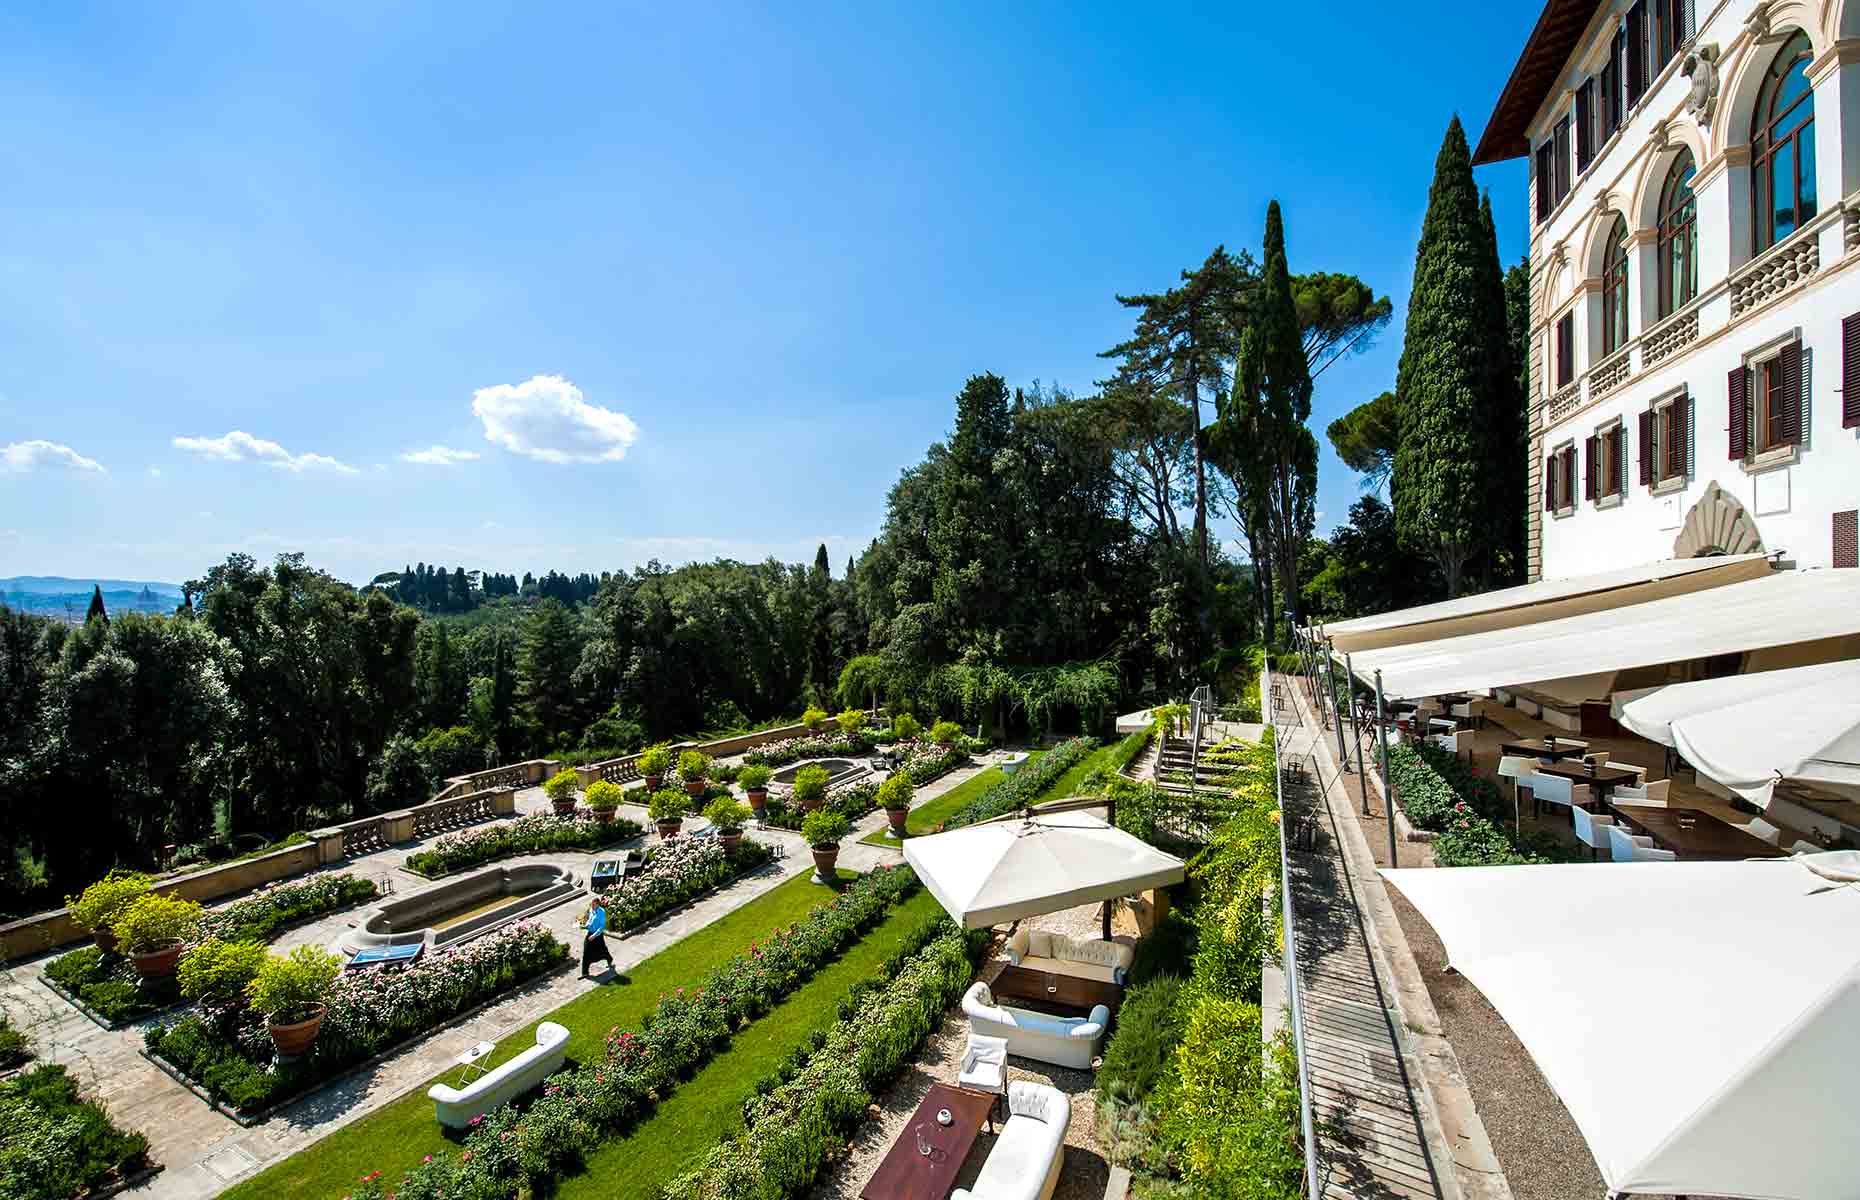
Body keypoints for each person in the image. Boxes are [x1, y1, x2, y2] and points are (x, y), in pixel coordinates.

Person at [580, 894, 613, 977]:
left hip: (597, 936)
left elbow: (602, 927)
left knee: (602, 950)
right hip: (589, 933)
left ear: (598, 904)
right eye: (592, 904)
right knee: (586, 952)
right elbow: (590, 920)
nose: (592, 906)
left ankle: (609, 959)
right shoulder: (591, 910)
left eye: (594, 904)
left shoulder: (602, 912)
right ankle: (585, 973)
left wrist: (594, 936)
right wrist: (585, 925)